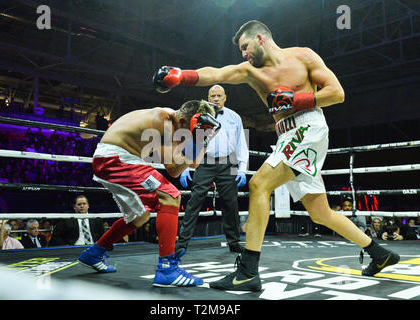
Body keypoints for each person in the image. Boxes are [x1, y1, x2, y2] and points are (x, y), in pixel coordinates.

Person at [152, 20, 400, 291]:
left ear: (260, 38)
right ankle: (380, 253)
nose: (243, 54)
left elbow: (336, 93)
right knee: (321, 213)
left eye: (245, 47)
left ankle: (247, 272)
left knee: (260, 184)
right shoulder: (250, 71)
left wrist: (296, 100)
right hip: (287, 135)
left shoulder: (302, 55)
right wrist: (181, 75)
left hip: (308, 127)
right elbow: (217, 73)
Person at [77, 99, 220, 287]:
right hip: (115, 159)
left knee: (140, 216)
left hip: (117, 159)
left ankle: (94, 253)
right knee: (170, 195)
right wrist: (198, 140)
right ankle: (167, 269)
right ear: (186, 122)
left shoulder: (174, 122)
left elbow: (190, 163)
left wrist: (202, 140)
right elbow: (174, 169)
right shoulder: (165, 121)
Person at [176, 85, 249, 254]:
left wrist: (242, 168)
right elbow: (189, 140)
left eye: (219, 95)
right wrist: (186, 166)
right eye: (212, 96)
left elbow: (241, 144)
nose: (215, 98)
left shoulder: (234, 117)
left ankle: (234, 242)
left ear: (225, 97)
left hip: (229, 161)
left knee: (231, 203)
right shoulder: (198, 116)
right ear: (208, 98)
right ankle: (182, 243)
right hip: (204, 161)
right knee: (195, 201)